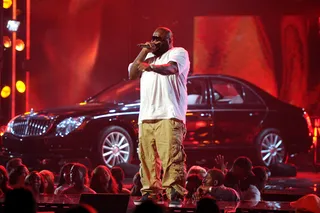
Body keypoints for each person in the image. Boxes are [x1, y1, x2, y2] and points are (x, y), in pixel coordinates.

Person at [128, 26, 190, 207]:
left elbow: (171, 69)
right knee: (146, 159)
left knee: (171, 157)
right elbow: (132, 74)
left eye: (159, 39)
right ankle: (150, 194)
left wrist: (150, 66)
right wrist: (145, 50)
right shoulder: (147, 56)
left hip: (169, 114)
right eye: (153, 38)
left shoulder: (178, 53)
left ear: (169, 40)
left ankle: (175, 194)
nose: (155, 42)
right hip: (146, 116)